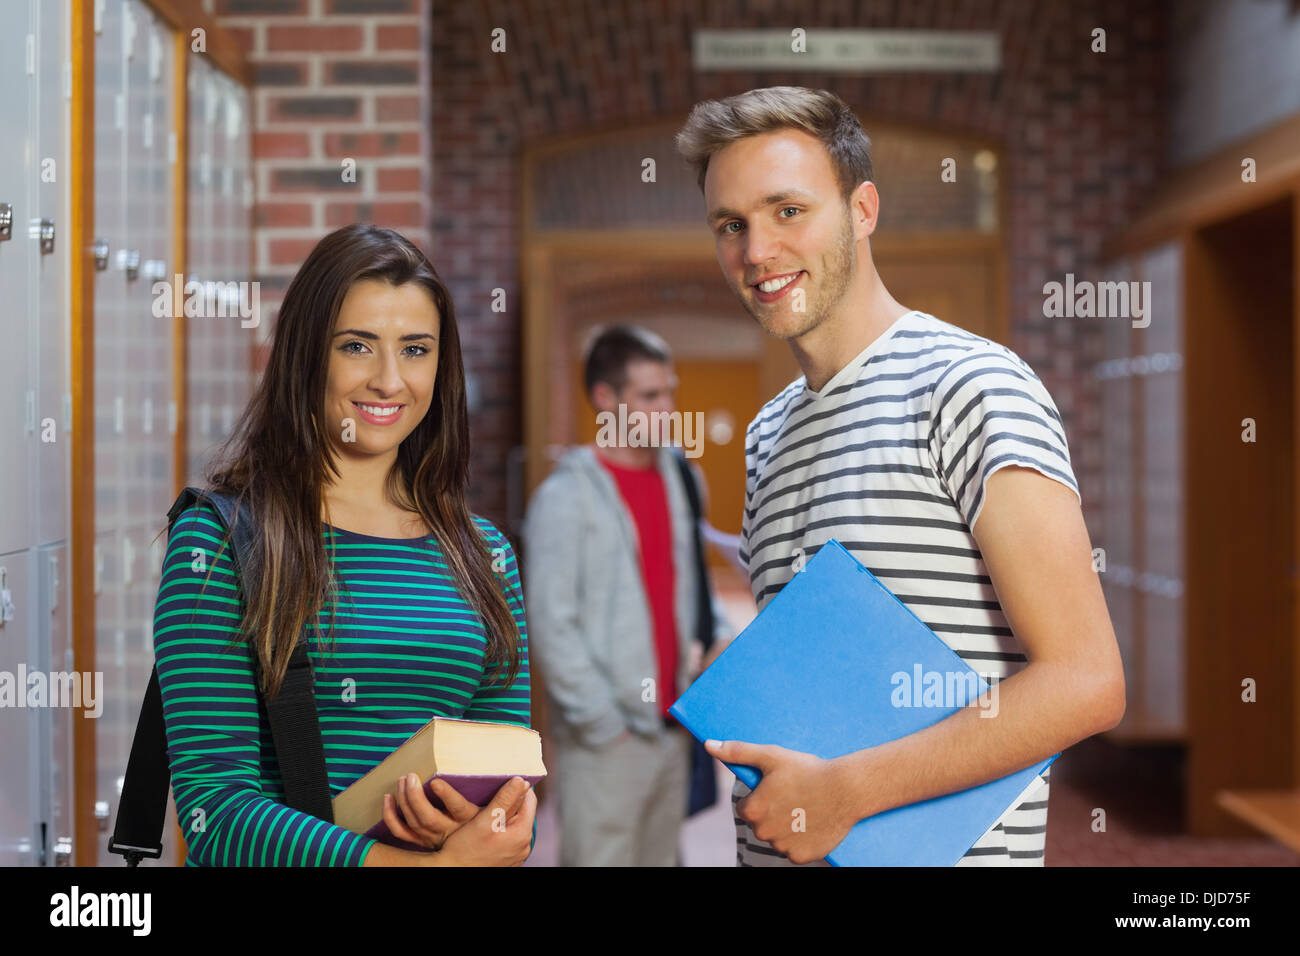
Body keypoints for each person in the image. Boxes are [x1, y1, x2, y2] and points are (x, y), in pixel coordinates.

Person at [674, 87, 1126, 866]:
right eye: (731, 225)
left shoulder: (974, 386)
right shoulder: (768, 432)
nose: (757, 253)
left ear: (863, 209)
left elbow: (1087, 681)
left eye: (789, 211)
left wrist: (848, 791)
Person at [152, 223, 536, 866]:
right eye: (357, 346)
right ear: (307, 355)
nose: (389, 380)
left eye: (416, 349)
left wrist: (482, 824)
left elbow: (508, 776)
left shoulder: (484, 553)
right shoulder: (221, 538)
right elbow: (213, 811)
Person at [523, 325, 734, 866]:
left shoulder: (683, 480)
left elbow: (692, 587)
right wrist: (603, 724)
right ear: (605, 399)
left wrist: (718, 636)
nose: (666, 409)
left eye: (669, 393)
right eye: (649, 397)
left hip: (672, 727)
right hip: (605, 741)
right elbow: (550, 623)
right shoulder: (565, 498)